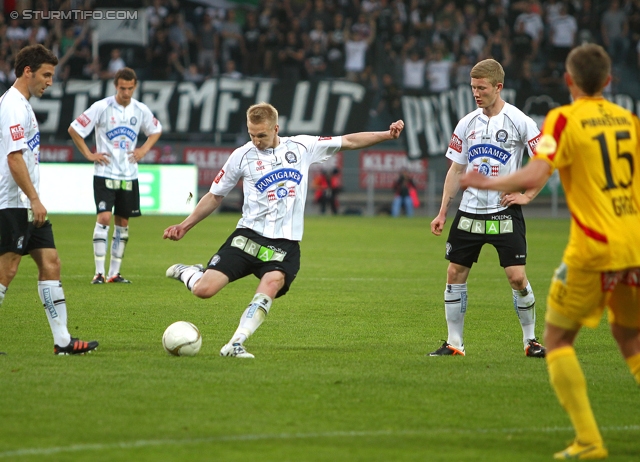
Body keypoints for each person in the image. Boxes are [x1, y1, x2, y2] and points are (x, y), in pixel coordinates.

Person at [460, 43, 640, 461]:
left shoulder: (564, 118)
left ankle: (589, 441)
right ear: (609, 82)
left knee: (558, 339)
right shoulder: (630, 121)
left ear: (568, 81)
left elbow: (537, 171)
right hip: (633, 247)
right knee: (630, 339)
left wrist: (487, 183)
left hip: (593, 250)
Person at [163, 102, 404, 358]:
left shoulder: (301, 147)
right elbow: (215, 196)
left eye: (262, 135)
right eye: (251, 134)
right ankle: (189, 272)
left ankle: (235, 343)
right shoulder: (241, 156)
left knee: (273, 281)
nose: (255, 140)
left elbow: (349, 141)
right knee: (204, 291)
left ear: (276, 128)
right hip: (248, 237)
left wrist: (386, 135)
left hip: (285, 244)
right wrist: (184, 225)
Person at [429, 59, 545, 358]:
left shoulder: (520, 121)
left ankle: (531, 341)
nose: (476, 93)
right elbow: (456, 170)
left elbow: (546, 161)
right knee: (454, 273)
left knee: (517, 277)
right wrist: (443, 211)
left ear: (498, 87)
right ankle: (455, 344)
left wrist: (528, 196)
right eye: (472, 88)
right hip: (469, 213)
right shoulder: (467, 123)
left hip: (503, 212)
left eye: (481, 88)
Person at [0, 44, 98, 355]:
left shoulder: (23, 104)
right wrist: (34, 198)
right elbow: (14, 158)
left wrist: (34, 201)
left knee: (51, 263)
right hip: (13, 202)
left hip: (28, 204)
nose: (49, 82)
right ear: (27, 71)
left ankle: (63, 341)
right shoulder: (12, 105)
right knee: (7, 271)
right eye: (46, 75)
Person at [68, 67, 162, 284]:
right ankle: (99, 272)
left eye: (130, 88)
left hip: (129, 174)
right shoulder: (101, 107)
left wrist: (143, 150)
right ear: (115, 86)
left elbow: (156, 130)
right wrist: (90, 154)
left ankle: (114, 273)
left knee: (123, 223)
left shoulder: (140, 109)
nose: (126, 93)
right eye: (122, 88)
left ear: (135, 86)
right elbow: (74, 129)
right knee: (104, 217)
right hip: (105, 172)